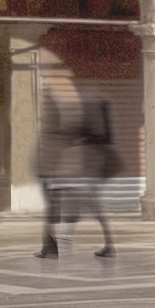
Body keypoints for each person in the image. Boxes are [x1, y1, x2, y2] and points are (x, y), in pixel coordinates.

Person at [40, 95, 119, 265]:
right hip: (88, 178)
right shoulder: (93, 134)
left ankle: (50, 248)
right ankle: (109, 246)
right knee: (98, 212)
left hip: (72, 176)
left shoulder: (80, 133)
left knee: (53, 210)